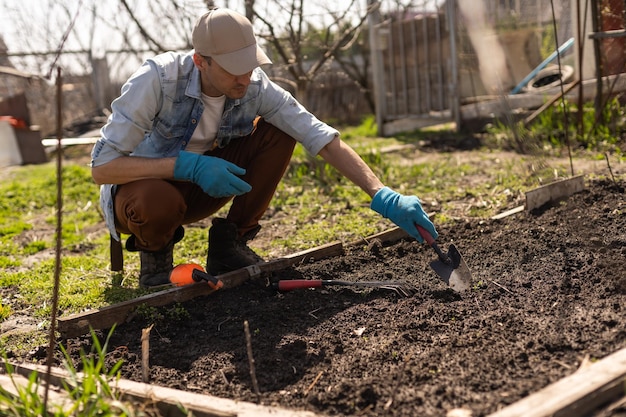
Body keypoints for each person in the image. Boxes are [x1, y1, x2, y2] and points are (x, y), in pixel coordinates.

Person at [90, 7, 438, 288]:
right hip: (144, 199)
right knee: (157, 201)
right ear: (201, 61)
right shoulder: (157, 80)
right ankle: (155, 259)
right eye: (233, 70)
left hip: (202, 189)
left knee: (280, 130)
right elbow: (102, 168)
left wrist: (382, 194)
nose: (244, 78)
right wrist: (185, 166)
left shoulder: (253, 86)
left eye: (250, 66)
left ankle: (231, 243)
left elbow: (317, 134)